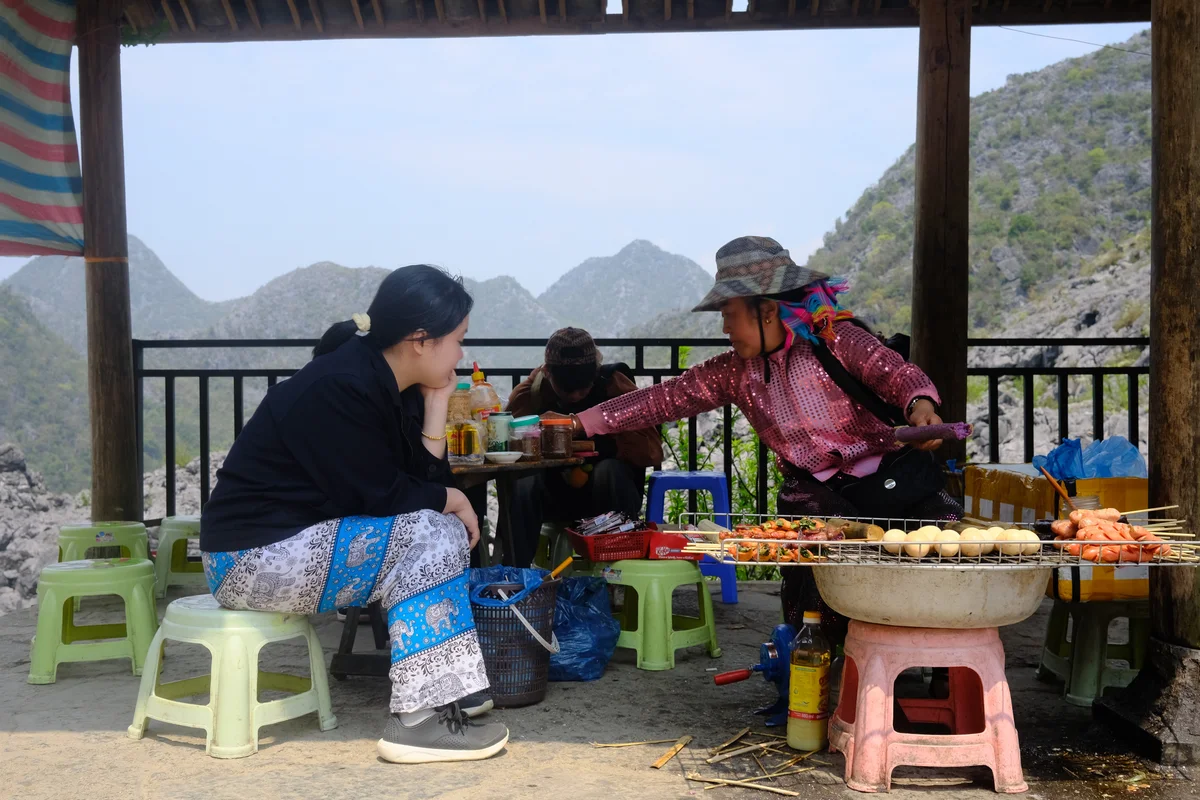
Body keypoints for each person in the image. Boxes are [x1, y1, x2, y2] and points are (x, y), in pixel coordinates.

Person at [546, 237, 963, 648]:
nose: (725, 327)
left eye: (730, 314)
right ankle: (817, 661)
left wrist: (920, 404)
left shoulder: (837, 340)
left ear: (767, 311)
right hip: (818, 493)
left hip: (893, 479)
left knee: (953, 548)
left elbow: (893, 371)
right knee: (816, 572)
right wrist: (579, 423)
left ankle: (941, 658)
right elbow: (664, 398)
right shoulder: (733, 372)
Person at [199, 265, 509, 765]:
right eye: (458, 340)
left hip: (297, 546)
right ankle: (420, 721)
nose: (462, 355)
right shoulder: (341, 385)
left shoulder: (386, 383)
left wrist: (437, 405)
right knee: (433, 532)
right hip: (248, 561)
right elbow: (383, 497)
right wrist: (454, 499)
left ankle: (439, 690)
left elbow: (417, 485)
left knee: (437, 526)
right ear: (420, 340)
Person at [504, 328, 663, 566]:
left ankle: (618, 571)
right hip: (555, 496)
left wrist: (604, 444)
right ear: (548, 373)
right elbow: (509, 437)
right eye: (567, 389)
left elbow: (651, 448)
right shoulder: (533, 392)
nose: (577, 395)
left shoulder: (613, 385)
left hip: (607, 500)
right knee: (523, 480)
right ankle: (515, 576)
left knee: (608, 470)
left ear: (596, 372)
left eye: (584, 387)